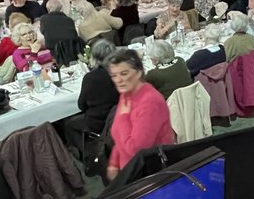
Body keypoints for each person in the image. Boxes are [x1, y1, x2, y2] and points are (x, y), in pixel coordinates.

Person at [106, 48, 174, 180]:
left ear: (138, 73)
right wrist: (114, 162)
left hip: (150, 173)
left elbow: (136, 151)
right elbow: (118, 135)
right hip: (130, 169)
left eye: (124, 73)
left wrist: (123, 118)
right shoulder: (126, 94)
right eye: (114, 76)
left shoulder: (150, 102)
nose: (118, 80)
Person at [61, 39, 118, 154]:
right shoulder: (120, 73)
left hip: (98, 123)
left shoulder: (91, 77)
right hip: (116, 117)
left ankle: (84, 154)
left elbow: (81, 106)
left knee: (67, 124)